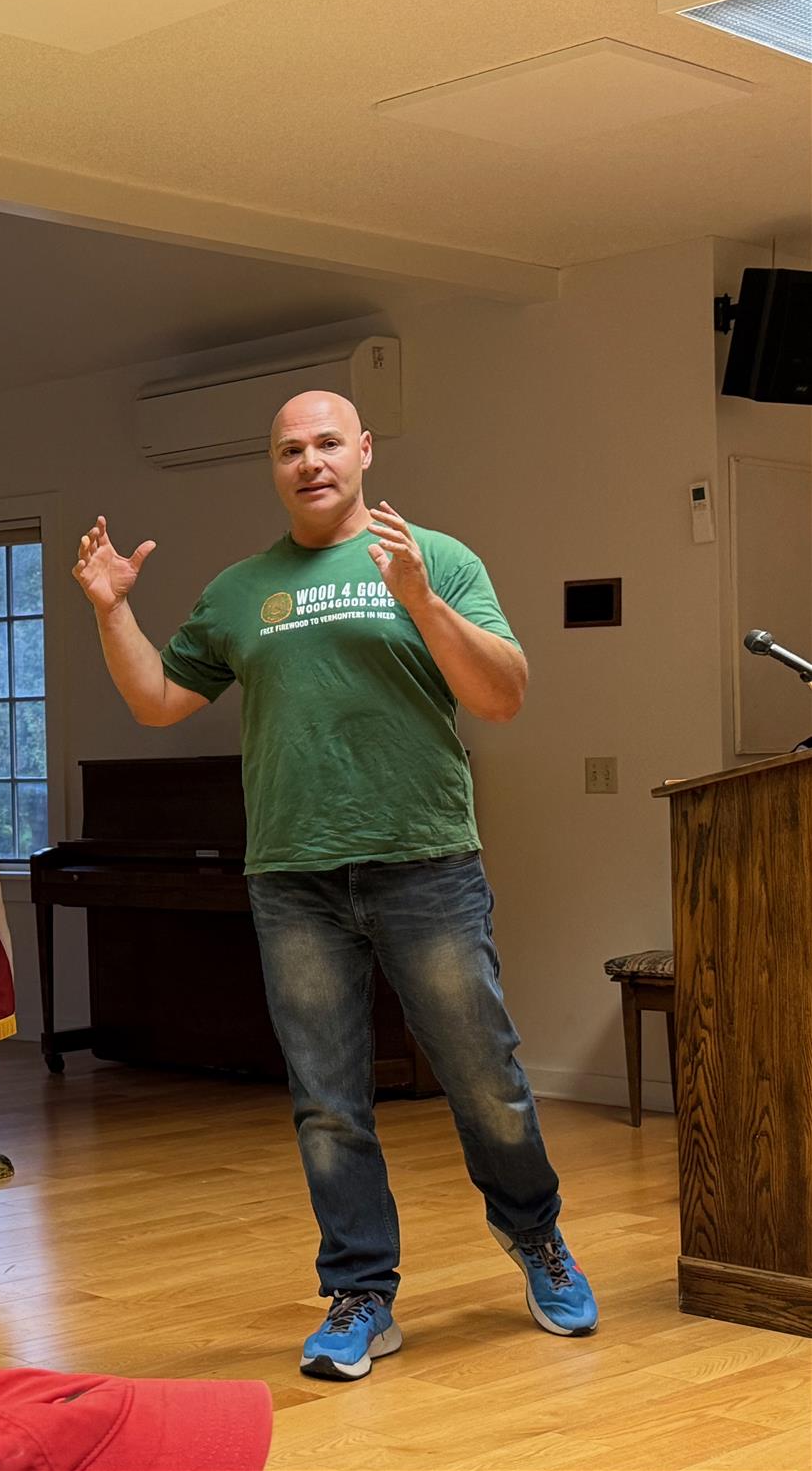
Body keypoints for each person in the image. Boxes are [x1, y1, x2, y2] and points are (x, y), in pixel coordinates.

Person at [72, 390, 597, 1382]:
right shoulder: (240, 590)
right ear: (273, 468)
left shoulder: (433, 558)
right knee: (327, 1103)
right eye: (289, 450)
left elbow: (503, 695)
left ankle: (536, 1236)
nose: (309, 461)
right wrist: (113, 612)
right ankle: (361, 1293)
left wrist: (421, 601)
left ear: (363, 451)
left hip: (426, 863)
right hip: (293, 879)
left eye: (326, 443)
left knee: (485, 1078)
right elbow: (156, 700)